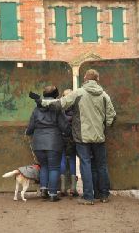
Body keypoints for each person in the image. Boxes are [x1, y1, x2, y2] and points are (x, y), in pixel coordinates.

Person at [30, 69, 116, 205]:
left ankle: (88, 197)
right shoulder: (104, 95)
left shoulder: (79, 93)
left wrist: (42, 102)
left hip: (82, 136)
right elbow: (111, 116)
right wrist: (104, 126)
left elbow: (60, 104)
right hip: (99, 136)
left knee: (85, 164)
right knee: (101, 165)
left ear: (86, 79)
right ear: (97, 80)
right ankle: (103, 194)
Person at [25, 85, 69, 202]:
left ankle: (43, 189)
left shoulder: (36, 109)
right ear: (56, 95)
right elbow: (64, 126)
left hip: (38, 143)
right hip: (54, 142)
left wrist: (28, 132)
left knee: (43, 165)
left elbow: (30, 127)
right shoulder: (57, 109)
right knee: (54, 168)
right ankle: (53, 194)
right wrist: (69, 133)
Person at [59, 89, 79, 197]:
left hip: (61, 138)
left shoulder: (60, 110)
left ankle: (62, 187)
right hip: (73, 139)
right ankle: (73, 188)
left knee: (62, 160)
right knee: (72, 160)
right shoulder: (77, 109)